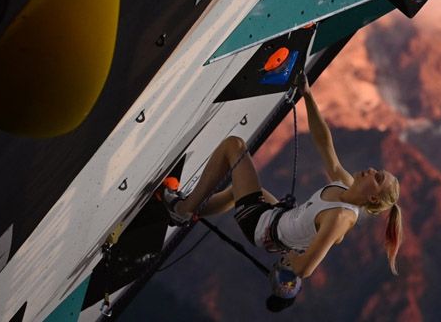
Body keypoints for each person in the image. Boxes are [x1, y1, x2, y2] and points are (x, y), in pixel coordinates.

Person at [162, 76, 403, 284]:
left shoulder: (341, 216)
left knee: (233, 146)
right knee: (238, 191)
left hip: (262, 227)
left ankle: (181, 210)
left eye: (378, 177)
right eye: (377, 170)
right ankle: (192, 210)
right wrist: (307, 95)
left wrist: (288, 268)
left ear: (373, 198)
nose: (371, 170)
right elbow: (324, 144)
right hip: (277, 216)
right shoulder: (346, 184)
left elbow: (305, 269)